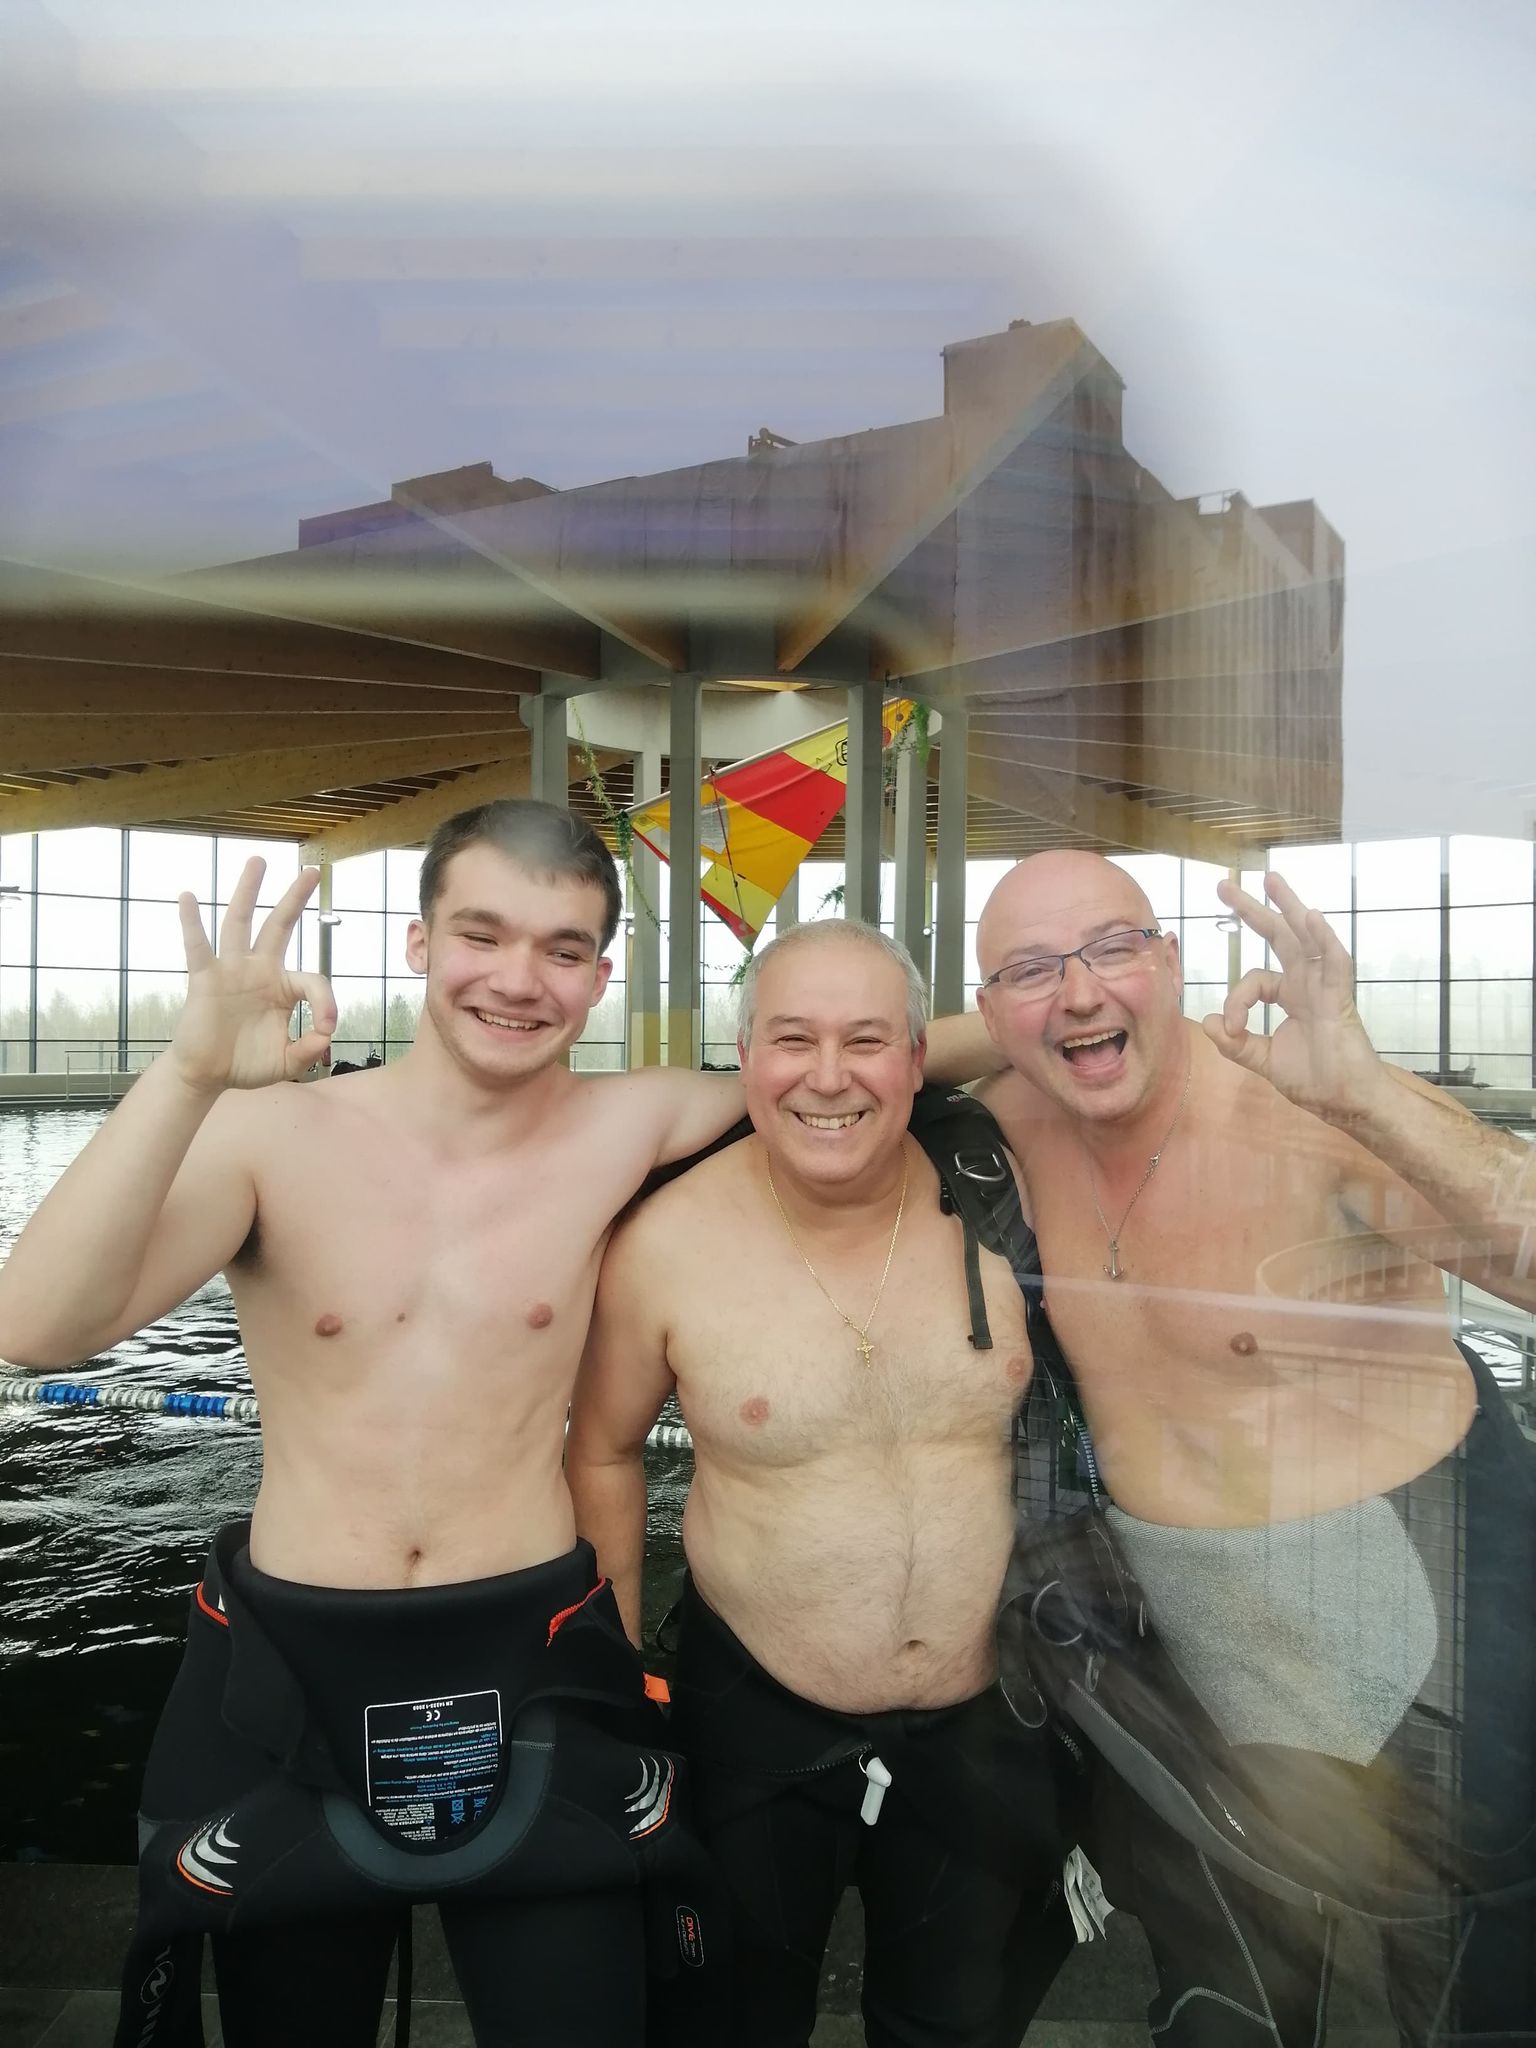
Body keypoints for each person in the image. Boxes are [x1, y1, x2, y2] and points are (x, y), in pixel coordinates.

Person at [972, 849, 1536, 2046]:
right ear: (989, 1010)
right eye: (1031, 970)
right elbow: (859, 1045)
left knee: (1474, 1986)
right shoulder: (1010, 1120)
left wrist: (1367, 1092)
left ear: (1173, 961)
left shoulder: (1306, 1111)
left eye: (1115, 948)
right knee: (1230, 2009)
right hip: (1199, 1632)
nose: (1080, 993)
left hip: (1422, 1583)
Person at [567, 918, 1075, 2048]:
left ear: (917, 1058)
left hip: (981, 1721)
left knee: (951, 2028)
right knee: (733, 2025)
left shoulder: (1001, 1194)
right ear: (744, 1055)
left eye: (868, 1041)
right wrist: (616, 1695)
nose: (829, 1076)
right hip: (752, 1718)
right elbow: (600, 1449)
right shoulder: (664, 1243)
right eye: (793, 1039)